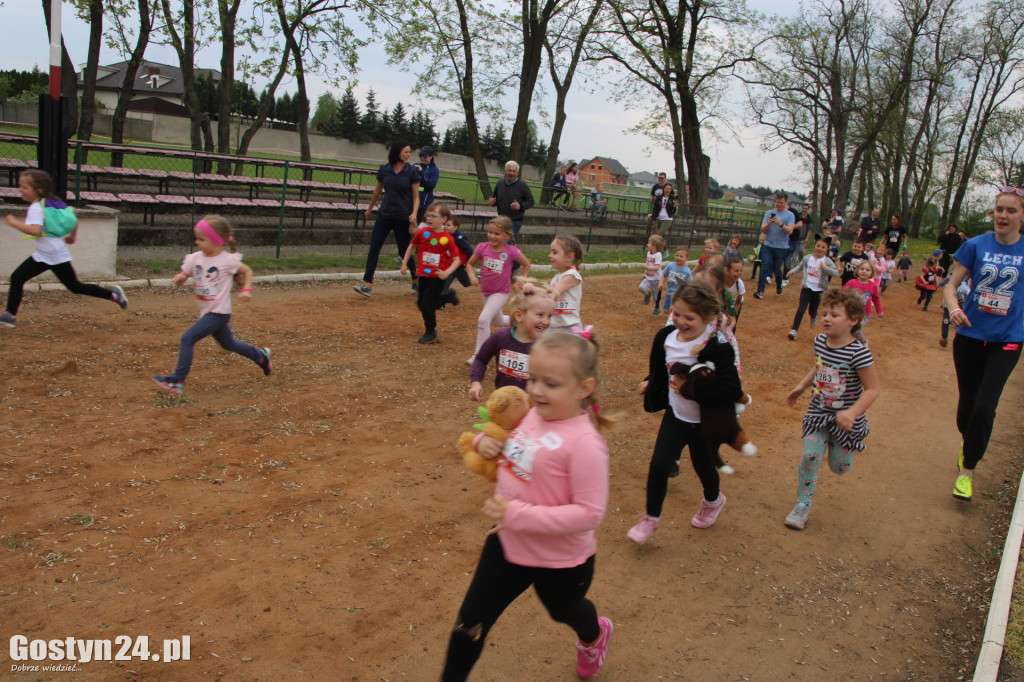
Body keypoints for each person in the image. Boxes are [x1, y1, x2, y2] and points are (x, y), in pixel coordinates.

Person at [441, 330, 615, 682]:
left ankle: (594, 634)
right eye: (533, 378)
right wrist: (483, 442)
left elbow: (589, 514)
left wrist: (516, 513)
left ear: (583, 388)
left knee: (564, 612)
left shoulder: (585, 445)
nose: (535, 390)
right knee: (469, 624)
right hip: (507, 543)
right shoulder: (531, 414)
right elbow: (516, 450)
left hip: (561, 562)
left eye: (550, 383)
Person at [629, 280, 741, 545]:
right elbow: (660, 367)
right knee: (659, 465)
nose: (680, 321)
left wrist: (692, 391)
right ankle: (651, 518)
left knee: (704, 466)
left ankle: (713, 500)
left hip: (705, 421)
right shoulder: (665, 337)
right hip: (677, 416)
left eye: (689, 317)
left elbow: (731, 389)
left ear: (707, 317)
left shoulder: (717, 347)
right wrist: (650, 381)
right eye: (676, 314)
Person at [945, 186, 1024, 502]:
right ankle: (970, 443)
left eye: (1011, 210)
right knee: (967, 406)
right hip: (969, 336)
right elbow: (950, 286)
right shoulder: (975, 246)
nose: (1003, 216)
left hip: (1007, 340)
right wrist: (954, 309)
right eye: (999, 209)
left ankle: (967, 472)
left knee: (985, 406)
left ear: (1022, 216)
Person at [783, 288, 880, 530]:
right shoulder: (820, 342)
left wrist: (851, 413)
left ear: (853, 320)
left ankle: (843, 449)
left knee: (840, 468)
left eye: (834, 315)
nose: (826, 318)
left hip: (847, 419)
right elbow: (819, 366)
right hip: (818, 412)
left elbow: (872, 389)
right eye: (824, 313)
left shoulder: (859, 352)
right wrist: (801, 386)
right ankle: (802, 505)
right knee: (810, 456)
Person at [152, 215, 271, 395]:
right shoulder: (195, 258)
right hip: (208, 312)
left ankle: (177, 381)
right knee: (229, 344)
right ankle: (260, 357)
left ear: (217, 240)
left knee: (187, 338)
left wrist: (246, 289)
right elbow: (184, 274)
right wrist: (180, 278)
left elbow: (247, 271)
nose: (197, 242)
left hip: (219, 313)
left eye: (202, 239)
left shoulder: (227, 260)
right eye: (197, 238)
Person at [0, 169, 128, 328]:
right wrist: (72, 236)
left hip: (53, 255)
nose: (20, 189)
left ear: (38, 190)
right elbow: (73, 218)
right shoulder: (54, 202)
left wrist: (13, 223)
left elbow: (35, 230)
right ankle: (10, 315)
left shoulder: (36, 207)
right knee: (18, 278)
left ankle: (114, 295)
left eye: (25, 187)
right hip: (46, 254)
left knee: (75, 287)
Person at [355, 139, 421, 297]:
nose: (408, 154)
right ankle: (368, 284)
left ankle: (416, 278)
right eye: (405, 151)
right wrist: (370, 208)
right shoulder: (385, 169)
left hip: (403, 216)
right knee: (374, 247)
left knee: (404, 249)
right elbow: (377, 191)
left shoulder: (412, 171)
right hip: (385, 214)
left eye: (409, 152)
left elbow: (416, 196)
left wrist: (414, 213)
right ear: (397, 152)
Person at [468, 281, 554, 402]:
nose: (546, 321)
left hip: (531, 409)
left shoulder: (546, 347)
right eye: (540, 315)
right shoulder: (500, 337)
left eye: (549, 316)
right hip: (503, 405)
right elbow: (481, 359)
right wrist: (475, 383)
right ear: (519, 316)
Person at [464, 215, 532, 365]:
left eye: (497, 233)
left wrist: (521, 280)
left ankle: (479, 356)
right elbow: (469, 265)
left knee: (483, 319)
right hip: (486, 291)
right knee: (499, 320)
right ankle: (523, 322)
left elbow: (526, 265)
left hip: (501, 292)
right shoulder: (483, 247)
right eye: (490, 232)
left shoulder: (511, 251)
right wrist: (472, 277)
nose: (492, 236)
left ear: (507, 235)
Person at [400, 202, 462, 344]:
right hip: (423, 274)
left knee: (427, 304)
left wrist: (447, 272)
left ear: (444, 219)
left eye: (434, 216)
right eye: (428, 215)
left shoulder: (448, 238)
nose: (429, 218)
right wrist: (404, 262)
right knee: (421, 304)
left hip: (438, 277)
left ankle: (430, 331)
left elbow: (457, 260)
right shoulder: (422, 232)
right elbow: (412, 246)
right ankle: (447, 296)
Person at [785, 237, 839, 341]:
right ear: (814, 246)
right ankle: (794, 330)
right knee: (801, 308)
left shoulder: (827, 261)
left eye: (823, 247)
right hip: (807, 287)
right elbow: (800, 267)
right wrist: (792, 271)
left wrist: (825, 268)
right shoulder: (808, 258)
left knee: (812, 310)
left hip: (819, 290)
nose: (820, 248)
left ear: (827, 249)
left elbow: (836, 273)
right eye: (818, 246)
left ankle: (814, 315)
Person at [755, 193, 796, 299]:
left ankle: (779, 284)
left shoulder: (790, 215)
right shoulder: (769, 213)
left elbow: (790, 230)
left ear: (786, 202)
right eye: (777, 202)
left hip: (781, 247)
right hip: (768, 244)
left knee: (776, 269)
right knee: (764, 266)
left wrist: (780, 224)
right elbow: (762, 229)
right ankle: (760, 290)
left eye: (781, 202)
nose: (779, 204)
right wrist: (768, 224)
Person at [549, 234, 584, 332]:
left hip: (570, 328)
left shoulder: (571, 275)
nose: (550, 255)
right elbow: (549, 292)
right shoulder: (558, 276)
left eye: (554, 252)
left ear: (569, 257)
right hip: (555, 325)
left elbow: (552, 294)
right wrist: (530, 288)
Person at [490, 161, 535, 238]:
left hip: (515, 221)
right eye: (509, 170)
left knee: (507, 242)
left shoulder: (522, 185)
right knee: (499, 242)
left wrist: (520, 206)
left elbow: (531, 201)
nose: (511, 173)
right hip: (501, 220)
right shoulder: (500, 183)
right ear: (505, 171)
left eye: (514, 171)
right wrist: (493, 202)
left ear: (517, 173)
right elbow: (495, 199)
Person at [843, 260, 884, 345]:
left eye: (867, 270)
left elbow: (876, 299)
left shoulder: (873, 286)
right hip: (851, 312)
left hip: (865, 314)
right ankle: (848, 344)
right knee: (847, 328)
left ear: (872, 273)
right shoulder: (852, 282)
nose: (864, 271)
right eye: (862, 269)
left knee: (856, 328)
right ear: (857, 270)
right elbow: (843, 295)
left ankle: (863, 342)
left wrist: (879, 310)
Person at [438, 214, 474, 309]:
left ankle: (482, 279)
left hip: (461, 266)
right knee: (444, 283)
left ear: (456, 227)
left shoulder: (459, 238)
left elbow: (470, 251)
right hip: (451, 266)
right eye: (445, 224)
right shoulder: (445, 236)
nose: (445, 226)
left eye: (448, 225)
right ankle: (442, 302)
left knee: (467, 283)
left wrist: (469, 264)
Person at [657, 246, 693, 316]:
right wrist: (661, 283)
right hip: (669, 293)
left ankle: (672, 323)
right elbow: (664, 275)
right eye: (677, 255)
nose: (678, 257)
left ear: (687, 258)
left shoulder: (687, 271)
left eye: (681, 256)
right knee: (666, 311)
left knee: (672, 310)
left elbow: (690, 284)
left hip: (678, 295)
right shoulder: (671, 265)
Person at [939, 270, 970, 349]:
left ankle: (960, 341)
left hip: (960, 308)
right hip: (948, 307)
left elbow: (968, 296)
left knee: (958, 323)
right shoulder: (948, 286)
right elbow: (946, 294)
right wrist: (943, 304)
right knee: (946, 321)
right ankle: (944, 338)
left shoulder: (964, 287)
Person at [639, 234, 665, 315]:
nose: (647, 244)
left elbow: (657, 267)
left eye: (649, 243)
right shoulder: (648, 253)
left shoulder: (658, 255)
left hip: (656, 279)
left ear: (654, 246)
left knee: (656, 296)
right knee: (641, 288)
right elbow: (649, 264)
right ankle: (647, 294)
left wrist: (646, 267)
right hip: (648, 277)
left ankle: (657, 309)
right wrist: (646, 272)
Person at [414, 146, 439, 223]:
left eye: (425, 156)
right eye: (420, 155)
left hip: (424, 204)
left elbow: (431, 185)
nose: (422, 158)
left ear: (431, 157)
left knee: (422, 226)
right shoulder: (415, 165)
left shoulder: (434, 170)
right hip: (412, 200)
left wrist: (421, 173)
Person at [724, 256, 745, 331]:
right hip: (721, 306)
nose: (739, 273)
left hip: (733, 306)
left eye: (741, 270)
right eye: (736, 271)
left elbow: (738, 303)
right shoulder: (719, 282)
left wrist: (732, 317)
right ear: (726, 270)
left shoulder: (740, 285)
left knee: (731, 327)